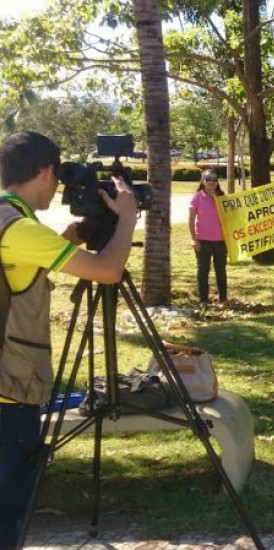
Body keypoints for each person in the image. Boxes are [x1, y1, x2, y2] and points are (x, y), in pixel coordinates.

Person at [0, 131, 137, 549]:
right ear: (43, 170)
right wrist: (127, 218)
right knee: (8, 516)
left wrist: (77, 233)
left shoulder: (8, 219)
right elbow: (109, 270)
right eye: (57, 174)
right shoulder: (20, 228)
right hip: (9, 397)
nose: (59, 184)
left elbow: (25, 266)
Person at [189, 169, 228, 307]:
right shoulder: (197, 197)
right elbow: (191, 219)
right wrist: (194, 240)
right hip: (203, 241)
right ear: (203, 181)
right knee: (203, 270)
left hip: (221, 241)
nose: (211, 182)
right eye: (208, 179)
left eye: (214, 179)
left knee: (221, 270)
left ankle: (223, 299)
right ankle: (203, 300)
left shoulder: (222, 197)